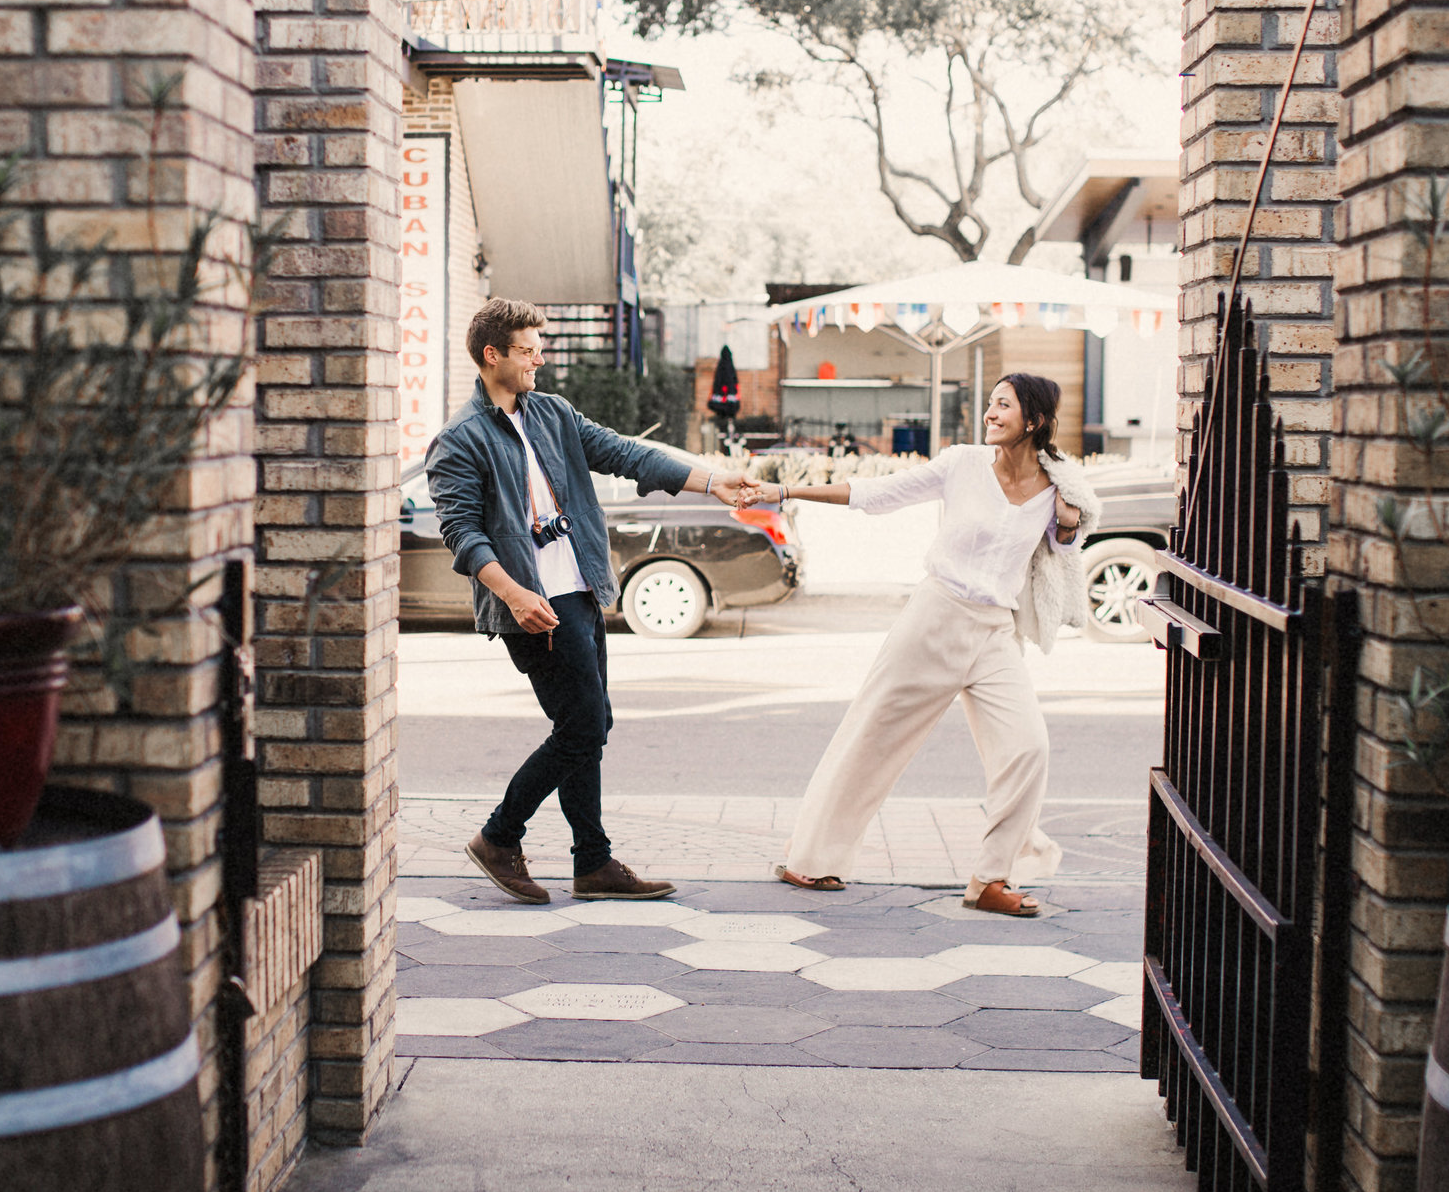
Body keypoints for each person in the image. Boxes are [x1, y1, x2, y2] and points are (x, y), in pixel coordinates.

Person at [429, 297, 754, 905]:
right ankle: (499, 837)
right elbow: (462, 534)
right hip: (531, 605)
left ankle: (592, 862)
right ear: (491, 355)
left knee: (584, 724)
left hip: (577, 591)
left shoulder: (551, 413)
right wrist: (515, 594)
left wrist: (711, 480)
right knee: (585, 726)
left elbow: (627, 454)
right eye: (528, 351)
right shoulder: (459, 439)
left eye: (538, 348)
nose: (539, 361)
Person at [747, 374, 1100, 917]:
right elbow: (876, 493)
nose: (990, 413)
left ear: (1033, 420)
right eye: (990, 404)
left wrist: (1071, 526)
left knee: (1027, 747)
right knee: (873, 737)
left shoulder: (1059, 488)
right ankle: (812, 857)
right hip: (934, 618)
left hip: (994, 632)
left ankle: (990, 880)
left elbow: (1062, 547)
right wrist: (785, 491)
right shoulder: (962, 464)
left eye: (1002, 406)